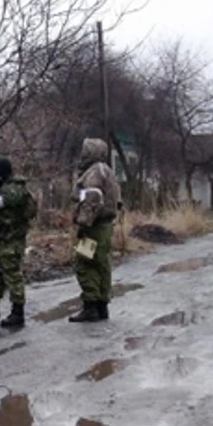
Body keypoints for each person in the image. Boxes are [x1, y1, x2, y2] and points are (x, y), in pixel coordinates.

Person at [0, 156, 37, 328]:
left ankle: (18, 312)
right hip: (6, 237)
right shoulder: (8, 186)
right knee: (0, 271)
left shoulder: (11, 191)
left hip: (12, 238)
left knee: (12, 274)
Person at [68, 138, 122, 323]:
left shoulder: (94, 172)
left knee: (84, 263)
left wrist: (83, 224)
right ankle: (102, 305)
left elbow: (93, 198)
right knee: (102, 265)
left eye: (85, 151)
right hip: (104, 226)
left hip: (94, 227)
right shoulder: (106, 170)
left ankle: (90, 306)